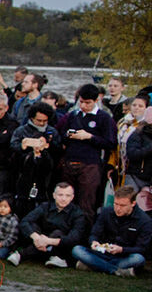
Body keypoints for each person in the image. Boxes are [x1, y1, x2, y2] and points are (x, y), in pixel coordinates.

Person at [57, 83, 118, 223]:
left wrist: (89, 137)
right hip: (70, 161)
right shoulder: (72, 115)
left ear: (96, 101)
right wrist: (69, 135)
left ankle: (85, 236)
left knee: (87, 203)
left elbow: (111, 143)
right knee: (67, 201)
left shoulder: (104, 117)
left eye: (88, 103)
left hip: (90, 164)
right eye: (81, 102)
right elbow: (60, 134)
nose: (84, 106)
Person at [71, 185, 151, 276]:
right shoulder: (106, 212)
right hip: (103, 253)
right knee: (77, 250)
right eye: (116, 204)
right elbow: (94, 233)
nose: (118, 208)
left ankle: (94, 265)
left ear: (133, 203)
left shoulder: (144, 221)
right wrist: (94, 242)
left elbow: (142, 248)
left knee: (138, 259)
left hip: (124, 256)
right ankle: (116, 270)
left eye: (122, 205)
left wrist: (121, 250)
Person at [10, 182, 88, 268]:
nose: (63, 199)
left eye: (67, 196)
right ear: (54, 195)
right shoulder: (45, 206)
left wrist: (48, 241)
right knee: (32, 225)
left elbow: (74, 238)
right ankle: (48, 256)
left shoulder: (77, 213)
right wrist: (36, 238)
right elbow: (25, 221)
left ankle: (21, 255)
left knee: (57, 233)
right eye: (60, 195)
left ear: (72, 197)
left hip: (60, 246)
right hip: (39, 241)